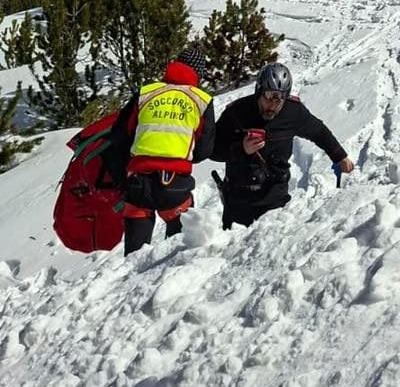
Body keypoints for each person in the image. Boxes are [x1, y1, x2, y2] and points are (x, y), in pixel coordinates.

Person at [211, 61, 354, 229]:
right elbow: (213, 150)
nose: (273, 104)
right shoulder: (236, 113)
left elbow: (319, 132)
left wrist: (341, 157)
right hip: (238, 200)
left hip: (275, 199)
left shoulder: (293, 112)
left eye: (279, 99)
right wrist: (241, 148)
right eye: (269, 96)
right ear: (259, 91)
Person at [107, 44, 216, 256]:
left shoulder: (146, 92)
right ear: (199, 74)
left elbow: (119, 138)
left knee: (132, 261)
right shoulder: (201, 101)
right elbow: (204, 150)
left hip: (138, 184)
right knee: (174, 258)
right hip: (174, 187)